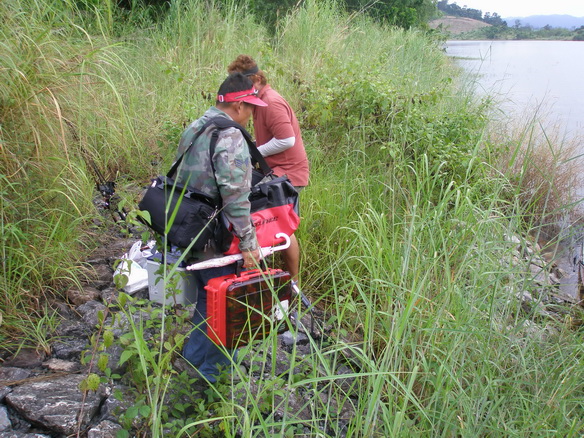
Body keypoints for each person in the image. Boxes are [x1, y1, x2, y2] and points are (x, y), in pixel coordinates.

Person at [178, 73, 267, 383]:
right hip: (216, 237)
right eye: (251, 108)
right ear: (239, 105)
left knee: (207, 297)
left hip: (189, 227)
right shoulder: (230, 136)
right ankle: (210, 380)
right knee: (226, 305)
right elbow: (236, 197)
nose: (253, 115)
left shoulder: (197, 125)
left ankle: (192, 362)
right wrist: (249, 245)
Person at [227, 55, 309, 282]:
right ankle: (266, 275)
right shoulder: (259, 100)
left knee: (283, 227)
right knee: (266, 220)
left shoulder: (271, 102)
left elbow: (287, 140)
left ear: (254, 79)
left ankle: (293, 280)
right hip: (274, 170)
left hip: (289, 172)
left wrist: (254, 152)